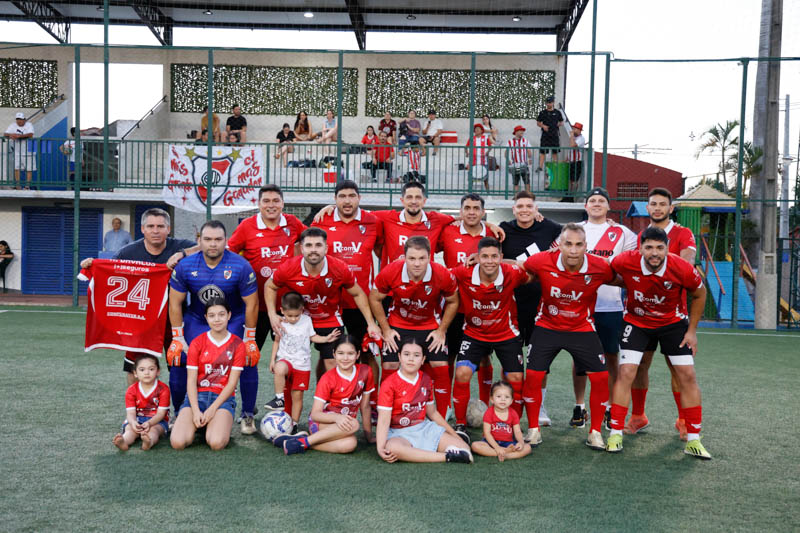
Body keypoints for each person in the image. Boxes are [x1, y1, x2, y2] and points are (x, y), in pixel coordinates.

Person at [606, 226, 711, 459]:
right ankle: (615, 433)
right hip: (637, 322)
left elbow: (700, 294)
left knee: (687, 375)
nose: (654, 253)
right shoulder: (625, 260)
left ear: (666, 249)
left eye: (660, 248)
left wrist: (692, 331)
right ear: (640, 248)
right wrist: (627, 284)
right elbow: (606, 273)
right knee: (627, 372)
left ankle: (694, 439)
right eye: (649, 247)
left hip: (673, 324)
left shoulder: (681, 267)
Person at [79, 208, 199, 386]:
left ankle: (183, 411)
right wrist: (92, 265)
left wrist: (182, 254)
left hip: (174, 318)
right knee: (137, 367)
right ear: (142, 229)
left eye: (160, 226)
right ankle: (136, 410)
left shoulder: (178, 246)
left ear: (169, 229)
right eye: (150, 226)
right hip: (142, 320)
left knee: (180, 365)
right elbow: (109, 271)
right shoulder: (128, 253)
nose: (155, 231)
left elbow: (209, 246)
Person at [520, 223, 614, 450]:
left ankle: (595, 432)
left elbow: (620, 279)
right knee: (533, 375)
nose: (573, 250)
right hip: (547, 326)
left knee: (601, 378)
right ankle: (533, 429)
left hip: (582, 328)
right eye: (568, 244)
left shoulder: (600, 267)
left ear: (586, 247)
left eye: (578, 245)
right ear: (559, 246)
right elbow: (522, 267)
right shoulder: (542, 260)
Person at [167, 220, 260, 434]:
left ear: (225, 241)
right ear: (199, 241)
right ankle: (179, 411)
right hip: (198, 319)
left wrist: (250, 337)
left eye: (218, 239)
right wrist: (177, 337)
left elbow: (252, 303)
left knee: (247, 357)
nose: (213, 244)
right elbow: (175, 302)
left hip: (232, 319)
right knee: (179, 358)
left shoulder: (240, 265)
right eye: (207, 239)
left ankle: (247, 414)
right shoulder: (186, 265)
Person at [265, 227, 381, 381]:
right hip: (299, 319)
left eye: (318, 245)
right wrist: (272, 314)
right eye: (308, 246)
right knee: (288, 364)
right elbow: (270, 286)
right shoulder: (289, 267)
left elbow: (358, 293)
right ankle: (287, 403)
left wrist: (371, 323)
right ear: (301, 248)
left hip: (329, 318)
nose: (313, 250)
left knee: (331, 361)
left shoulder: (339, 268)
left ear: (326, 248)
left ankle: (326, 400)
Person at [628, 187, 698, 438]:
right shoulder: (642, 237)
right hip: (643, 315)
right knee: (640, 365)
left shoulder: (683, 233)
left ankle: (682, 420)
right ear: (647, 208)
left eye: (662, 204)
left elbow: (687, 261)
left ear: (671, 208)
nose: (657, 208)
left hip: (673, 315)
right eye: (653, 204)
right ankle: (639, 416)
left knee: (677, 368)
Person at [451, 237, 531, 444]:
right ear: (476, 258)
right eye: (484, 256)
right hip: (474, 333)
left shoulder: (511, 273)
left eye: (494, 257)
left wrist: (511, 263)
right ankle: (460, 424)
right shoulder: (463, 273)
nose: (489, 261)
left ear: (501, 258)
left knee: (515, 378)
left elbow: (533, 269)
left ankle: (511, 425)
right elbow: (441, 277)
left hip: (506, 333)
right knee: (462, 372)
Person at [568, 188, 636, 430]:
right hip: (578, 303)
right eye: (592, 200)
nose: (596, 204)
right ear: (585, 206)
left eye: (601, 201)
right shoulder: (574, 229)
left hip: (610, 305)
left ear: (608, 206)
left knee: (611, 356)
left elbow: (630, 265)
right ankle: (580, 406)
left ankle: (608, 407)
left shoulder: (622, 233)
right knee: (579, 358)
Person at [370, 236, 459, 418]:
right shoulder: (392, 271)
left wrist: (441, 330)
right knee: (391, 363)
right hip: (398, 324)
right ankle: (388, 412)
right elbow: (374, 298)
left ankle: (441, 415)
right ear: (404, 258)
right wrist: (386, 329)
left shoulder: (441, 274)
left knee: (440, 364)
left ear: (430, 257)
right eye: (412, 258)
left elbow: (453, 301)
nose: (417, 264)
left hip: (429, 325)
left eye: (422, 258)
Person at [499, 191, 560, 425]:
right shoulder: (503, 229)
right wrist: (519, 264)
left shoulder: (551, 228)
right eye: (520, 206)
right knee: (509, 361)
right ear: (514, 209)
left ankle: (539, 407)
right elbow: (492, 257)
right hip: (510, 303)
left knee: (539, 362)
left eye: (529, 206)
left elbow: (576, 230)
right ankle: (505, 406)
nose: (524, 209)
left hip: (541, 304)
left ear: (537, 210)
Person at [227, 184, 306, 350]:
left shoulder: (293, 223)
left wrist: (327, 209)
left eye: (276, 201)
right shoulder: (247, 226)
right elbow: (228, 253)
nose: (271, 205)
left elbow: (314, 239)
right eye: (267, 201)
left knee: (292, 357)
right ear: (259, 204)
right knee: (249, 353)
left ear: (283, 203)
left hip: (288, 306)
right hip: (256, 304)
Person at [438, 194, 497, 403]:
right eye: (467, 208)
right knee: (450, 355)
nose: (471, 212)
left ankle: (484, 403)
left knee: (483, 356)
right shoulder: (447, 231)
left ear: (483, 212)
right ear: (461, 211)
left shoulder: (493, 233)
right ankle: (447, 406)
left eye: (476, 208)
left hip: (483, 307)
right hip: (454, 305)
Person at [376, 338, 473, 464]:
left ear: (422, 359)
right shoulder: (389, 384)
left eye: (416, 355)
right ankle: (447, 457)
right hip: (398, 433)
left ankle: (431, 452)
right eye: (406, 354)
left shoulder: (425, 379)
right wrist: (380, 447)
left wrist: (454, 436)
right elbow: (383, 420)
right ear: (399, 357)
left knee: (464, 448)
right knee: (393, 449)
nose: (411, 359)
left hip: (423, 428)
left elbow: (432, 413)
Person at [274, 335, 376, 455]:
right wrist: (337, 418)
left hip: (343, 425)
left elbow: (365, 407)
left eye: (350, 353)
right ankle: (302, 442)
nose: (345, 358)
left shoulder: (365, 372)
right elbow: (316, 414)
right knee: (354, 424)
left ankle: (301, 442)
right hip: (321, 422)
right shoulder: (327, 378)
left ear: (358, 355)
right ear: (334, 354)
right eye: (341, 353)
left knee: (350, 444)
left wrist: (368, 436)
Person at [311, 181, 381, 347]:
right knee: (329, 353)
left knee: (366, 351)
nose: (347, 201)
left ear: (359, 198)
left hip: (362, 300)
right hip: (329, 301)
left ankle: (366, 374)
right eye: (342, 197)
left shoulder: (374, 221)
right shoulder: (321, 220)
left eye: (352, 196)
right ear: (335, 199)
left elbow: (380, 247)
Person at [170, 298, 245, 451]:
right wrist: (196, 410)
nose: (217, 319)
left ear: (229, 315)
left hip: (222, 400)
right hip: (197, 398)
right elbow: (191, 381)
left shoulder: (238, 344)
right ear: (206, 318)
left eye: (221, 314)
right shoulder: (197, 343)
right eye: (212, 315)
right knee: (177, 443)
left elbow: (232, 384)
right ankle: (200, 422)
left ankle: (213, 424)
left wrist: (212, 410)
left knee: (216, 443)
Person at [263, 291, 340, 431]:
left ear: (302, 310)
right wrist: (272, 360)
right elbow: (276, 341)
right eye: (289, 315)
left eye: (296, 315)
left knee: (297, 395)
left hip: (302, 365)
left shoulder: (307, 320)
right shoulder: (279, 321)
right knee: (280, 368)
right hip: (285, 360)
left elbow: (313, 336)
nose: (293, 319)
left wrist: (326, 338)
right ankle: (279, 398)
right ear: (282, 311)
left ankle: (294, 424)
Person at [112, 354, 170, 451]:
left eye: (151, 369)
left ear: (158, 371)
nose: (147, 373)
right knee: (130, 429)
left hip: (156, 421)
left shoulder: (163, 389)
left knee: (154, 431)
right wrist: (133, 422)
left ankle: (148, 442)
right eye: (142, 370)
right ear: (135, 373)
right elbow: (130, 413)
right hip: (137, 419)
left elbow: (161, 414)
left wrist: (150, 423)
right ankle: (124, 442)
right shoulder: (131, 390)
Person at [470, 381, 532, 461]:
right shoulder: (489, 412)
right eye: (499, 396)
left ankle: (506, 456)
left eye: (507, 397)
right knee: (475, 446)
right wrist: (497, 447)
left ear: (511, 400)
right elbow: (487, 433)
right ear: (492, 399)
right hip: (490, 443)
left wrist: (521, 442)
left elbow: (517, 432)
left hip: (508, 443)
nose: (503, 399)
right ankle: (504, 452)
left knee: (527, 448)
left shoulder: (513, 413)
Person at [4, 112, 35, 189]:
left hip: (28, 150)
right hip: (17, 150)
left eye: (20, 119)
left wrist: (19, 136)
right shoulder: (13, 125)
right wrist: (11, 135)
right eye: (17, 119)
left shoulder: (29, 125)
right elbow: (5, 134)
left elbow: (30, 134)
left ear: (24, 120)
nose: (19, 121)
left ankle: (27, 186)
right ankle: (18, 185)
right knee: (16, 168)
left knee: (29, 168)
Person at [536, 96, 563, 173]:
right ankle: (540, 166)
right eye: (547, 102)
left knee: (555, 152)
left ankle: (555, 166)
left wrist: (558, 124)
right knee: (543, 151)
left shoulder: (557, 112)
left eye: (550, 102)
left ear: (553, 102)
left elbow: (562, 122)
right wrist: (543, 126)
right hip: (545, 135)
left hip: (554, 134)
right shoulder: (542, 113)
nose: (549, 104)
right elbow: (538, 122)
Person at [507, 125, 534, 193]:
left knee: (526, 180)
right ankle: (516, 196)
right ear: (516, 132)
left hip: (524, 164)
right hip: (515, 165)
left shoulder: (525, 141)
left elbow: (529, 150)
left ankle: (528, 195)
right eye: (520, 130)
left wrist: (530, 158)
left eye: (522, 130)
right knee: (516, 181)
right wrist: (508, 160)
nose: (522, 132)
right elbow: (506, 151)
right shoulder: (510, 141)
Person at [465, 123, 492, 191]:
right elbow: (466, 147)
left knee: (485, 179)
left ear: (481, 130)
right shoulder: (471, 138)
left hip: (483, 161)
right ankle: (469, 193)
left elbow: (490, 147)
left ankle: (489, 194)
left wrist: (487, 152)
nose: (476, 130)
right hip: (473, 161)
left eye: (478, 129)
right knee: (471, 178)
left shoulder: (485, 138)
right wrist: (467, 153)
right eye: (475, 129)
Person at [568, 122, 585, 193]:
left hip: (577, 162)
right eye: (573, 128)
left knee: (574, 180)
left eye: (575, 129)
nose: (573, 130)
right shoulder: (574, 138)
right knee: (570, 180)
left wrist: (571, 136)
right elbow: (570, 149)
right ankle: (569, 196)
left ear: (579, 130)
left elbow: (572, 145)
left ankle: (572, 196)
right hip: (572, 161)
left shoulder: (581, 139)